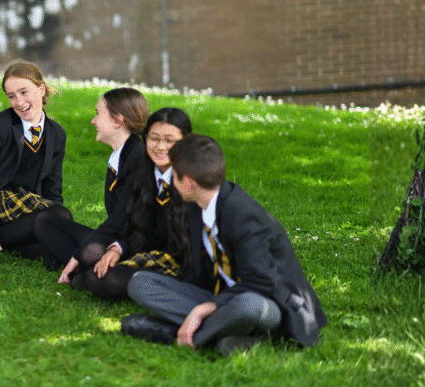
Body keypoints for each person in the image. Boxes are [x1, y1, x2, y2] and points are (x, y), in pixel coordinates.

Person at [121, 134, 328, 356]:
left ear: (188, 183)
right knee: (140, 283)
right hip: (224, 296)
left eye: (174, 176)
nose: (171, 181)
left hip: (267, 302)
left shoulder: (243, 215)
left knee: (247, 306)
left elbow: (261, 281)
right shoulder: (196, 206)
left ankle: (174, 334)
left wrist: (202, 309)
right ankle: (230, 336)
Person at [70, 108, 193, 300]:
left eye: (170, 141)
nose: (160, 147)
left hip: (182, 261)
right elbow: (140, 223)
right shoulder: (146, 171)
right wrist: (118, 247)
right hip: (149, 250)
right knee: (96, 268)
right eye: (154, 138)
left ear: (185, 142)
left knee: (107, 279)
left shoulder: (190, 181)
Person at [0, 60, 71, 269]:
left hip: (25, 207)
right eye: (12, 96)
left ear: (41, 89)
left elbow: (52, 185)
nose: (19, 102)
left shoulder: (56, 133)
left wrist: (55, 225)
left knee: (55, 227)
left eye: (24, 92)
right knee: (60, 216)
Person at [32, 87, 150, 277]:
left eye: (98, 114)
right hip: (119, 236)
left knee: (87, 253)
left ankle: (81, 269)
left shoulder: (137, 156)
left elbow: (121, 220)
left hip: (134, 245)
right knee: (45, 220)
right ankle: (81, 266)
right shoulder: (120, 155)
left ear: (118, 120)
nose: (93, 121)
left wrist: (80, 254)